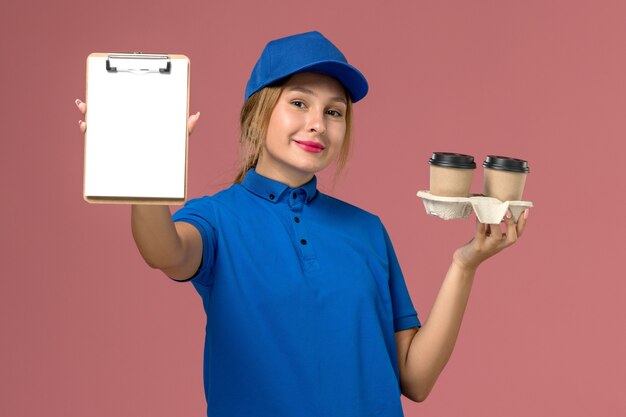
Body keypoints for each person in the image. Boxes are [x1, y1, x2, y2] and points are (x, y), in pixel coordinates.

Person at [76, 31, 528, 417]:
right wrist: (144, 167)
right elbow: (164, 252)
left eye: (334, 112)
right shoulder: (217, 219)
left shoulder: (366, 229)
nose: (318, 124)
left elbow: (416, 378)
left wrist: (464, 264)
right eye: (299, 103)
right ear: (258, 114)